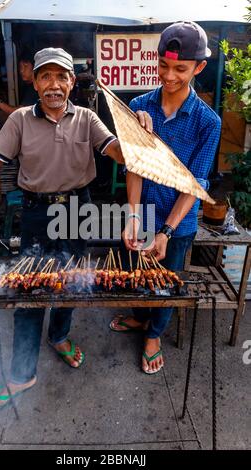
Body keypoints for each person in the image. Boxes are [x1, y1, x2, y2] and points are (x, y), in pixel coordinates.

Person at [0, 47, 151, 414]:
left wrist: (135, 135)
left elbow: (118, 152)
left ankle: (59, 336)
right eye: (46, 76)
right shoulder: (20, 121)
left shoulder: (88, 118)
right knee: (30, 288)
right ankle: (20, 374)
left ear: (72, 83)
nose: (54, 84)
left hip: (78, 210)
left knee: (72, 281)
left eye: (62, 77)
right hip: (37, 213)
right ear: (35, 81)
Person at [110, 22, 222, 375]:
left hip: (178, 221)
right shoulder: (140, 106)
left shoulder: (208, 122)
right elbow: (135, 168)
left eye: (180, 69)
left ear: (199, 67)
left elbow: (195, 182)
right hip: (142, 212)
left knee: (167, 279)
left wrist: (167, 231)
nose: (168, 75)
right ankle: (141, 319)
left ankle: (154, 334)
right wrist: (132, 216)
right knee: (137, 272)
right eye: (162, 65)